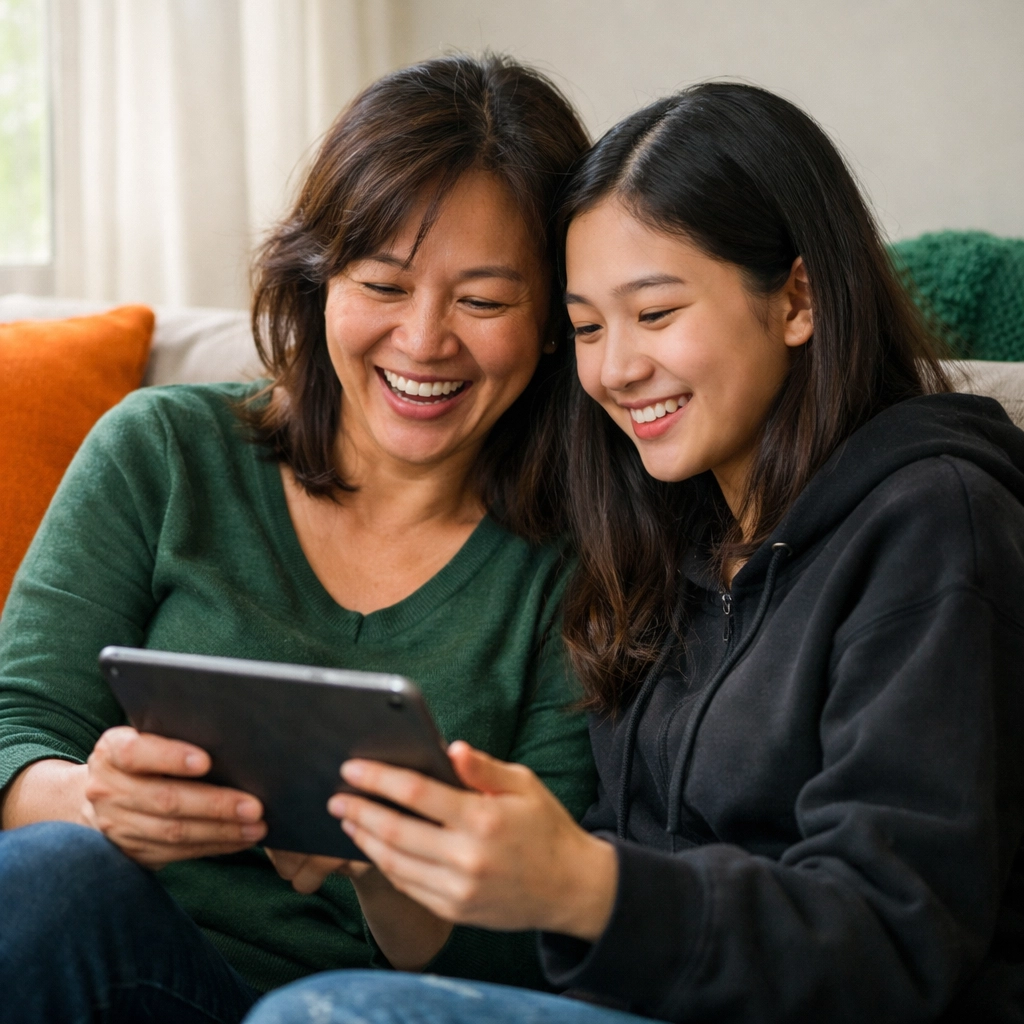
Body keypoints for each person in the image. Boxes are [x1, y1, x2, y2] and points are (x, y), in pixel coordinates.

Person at [243, 83, 1024, 1024]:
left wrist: (584, 884)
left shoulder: (935, 525)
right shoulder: (662, 535)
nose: (614, 370)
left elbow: (896, 938)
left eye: (655, 314)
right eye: (586, 327)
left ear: (798, 299)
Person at [0, 54, 597, 1023]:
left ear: (558, 324)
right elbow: (15, 723)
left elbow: (531, 948)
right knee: (58, 872)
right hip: (111, 956)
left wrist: (384, 863)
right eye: (383, 284)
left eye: (483, 301)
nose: (423, 341)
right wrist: (93, 800)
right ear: (319, 279)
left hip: (361, 1004)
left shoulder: (582, 563)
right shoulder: (163, 453)